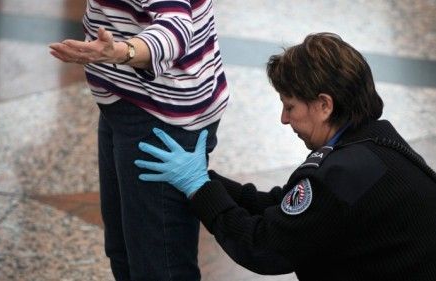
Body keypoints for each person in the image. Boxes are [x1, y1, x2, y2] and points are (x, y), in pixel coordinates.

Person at [134, 32, 436, 281]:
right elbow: (287, 208)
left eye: (290, 106)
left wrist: (199, 188)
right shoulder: (375, 142)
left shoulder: (344, 174)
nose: (283, 118)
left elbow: (264, 247)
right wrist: (208, 182)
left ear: (324, 105)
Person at [49, 1, 229, 280]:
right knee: (124, 251)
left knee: (159, 267)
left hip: (162, 118)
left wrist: (119, 52)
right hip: (125, 101)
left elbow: (175, 29)